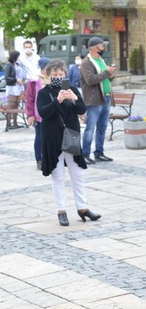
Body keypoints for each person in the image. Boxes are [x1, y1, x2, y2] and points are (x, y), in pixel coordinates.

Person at [37, 59, 101, 226]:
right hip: (53, 139)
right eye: (55, 74)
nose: (58, 77)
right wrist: (57, 100)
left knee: (77, 174)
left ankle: (83, 208)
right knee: (58, 175)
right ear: (48, 75)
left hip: (71, 135)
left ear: (65, 74)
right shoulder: (44, 93)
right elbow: (43, 113)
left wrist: (74, 98)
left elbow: (81, 109)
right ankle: (61, 211)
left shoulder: (71, 89)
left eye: (61, 74)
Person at [80, 37, 116, 164]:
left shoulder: (100, 60)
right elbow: (90, 80)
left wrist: (110, 75)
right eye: (102, 45)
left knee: (102, 127)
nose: (104, 47)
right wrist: (107, 72)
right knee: (90, 128)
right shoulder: (86, 63)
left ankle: (99, 153)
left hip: (105, 97)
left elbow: (105, 78)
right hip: (94, 99)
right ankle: (84, 154)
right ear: (96, 47)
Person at [25, 57, 51, 170]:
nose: (49, 70)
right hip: (39, 114)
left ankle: (50, 158)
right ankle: (39, 159)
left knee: (51, 137)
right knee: (40, 137)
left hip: (52, 113)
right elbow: (29, 98)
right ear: (42, 68)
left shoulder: (54, 78)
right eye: (47, 68)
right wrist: (30, 114)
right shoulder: (34, 80)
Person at [3, 51, 25, 130]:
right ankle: (9, 123)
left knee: (16, 105)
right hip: (12, 87)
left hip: (19, 87)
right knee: (11, 105)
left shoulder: (18, 64)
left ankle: (15, 123)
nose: (19, 58)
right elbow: (6, 77)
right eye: (18, 56)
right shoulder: (9, 65)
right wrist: (16, 80)